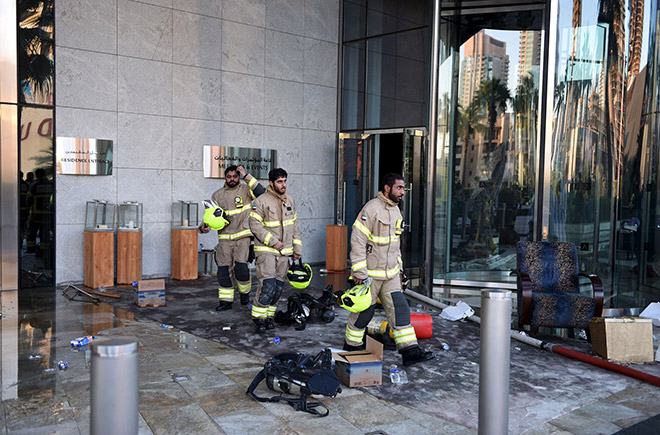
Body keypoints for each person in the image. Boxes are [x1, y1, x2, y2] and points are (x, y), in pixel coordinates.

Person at [344, 173, 435, 367]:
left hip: (391, 274)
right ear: (387, 188)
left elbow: (395, 245)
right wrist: (359, 272)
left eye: (403, 188)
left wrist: (400, 269)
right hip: (370, 276)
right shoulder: (371, 209)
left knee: (400, 311)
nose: (402, 192)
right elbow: (358, 240)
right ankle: (352, 347)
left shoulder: (396, 211)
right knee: (364, 314)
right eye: (399, 188)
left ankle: (409, 351)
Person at [201, 165, 266, 311]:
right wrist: (204, 227)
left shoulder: (246, 190)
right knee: (223, 271)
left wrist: (246, 175)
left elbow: (262, 193)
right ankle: (226, 301)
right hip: (224, 239)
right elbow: (211, 216)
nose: (232, 179)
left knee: (241, 268)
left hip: (243, 237)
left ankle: (245, 293)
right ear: (225, 177)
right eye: (229, 176)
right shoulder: (217, 195)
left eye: (235, 176)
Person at [249, 168, 302, 332]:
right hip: (266, 251)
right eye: (280, 181)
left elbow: (295, 226)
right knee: (268, 285)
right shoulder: (261, 201)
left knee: (278, 287)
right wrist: (273, 242)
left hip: (285, 253)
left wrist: (297, 249)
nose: (283, 184)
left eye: (285, 181)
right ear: (271, 183)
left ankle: (269, 316)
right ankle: (259, 318)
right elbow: (254, 225)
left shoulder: (290, 201)